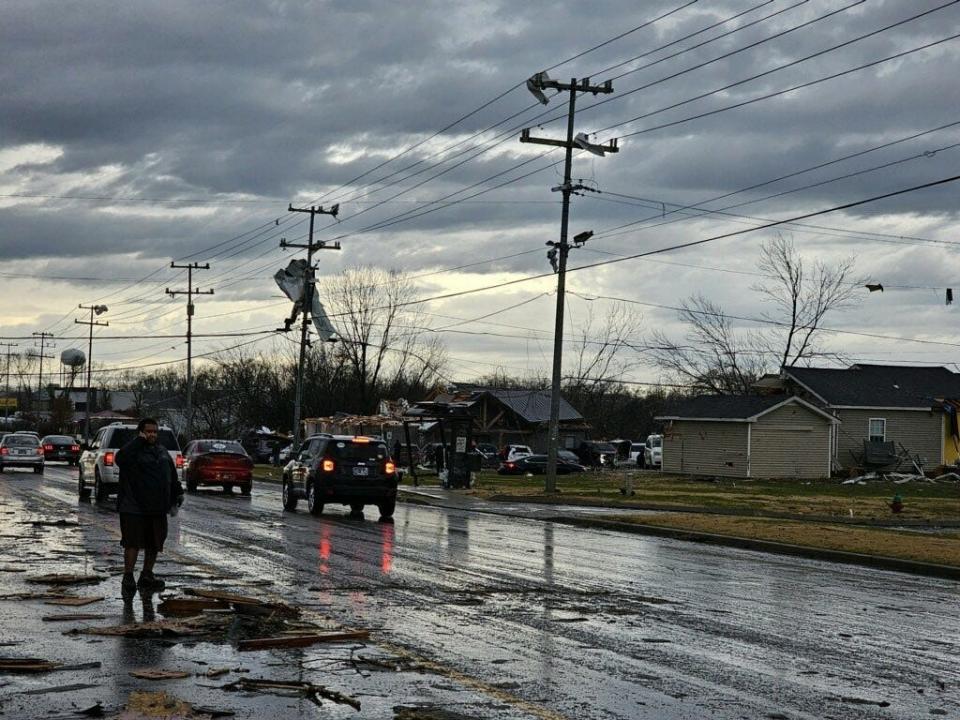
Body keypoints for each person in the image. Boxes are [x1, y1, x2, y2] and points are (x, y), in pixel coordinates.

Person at [115, 417, 183, 601]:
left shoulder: (161, 451)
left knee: (154, 542)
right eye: (148, 431)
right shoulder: (132, 450)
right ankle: (128, 577)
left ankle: (147, 575)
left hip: (157, 506)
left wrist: (177, 493)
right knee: (132, 542)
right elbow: (119, 459)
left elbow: (171, 474)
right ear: (141, 432)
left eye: (154, 431)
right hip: (133, 506)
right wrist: (139, 441)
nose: (152, 434)